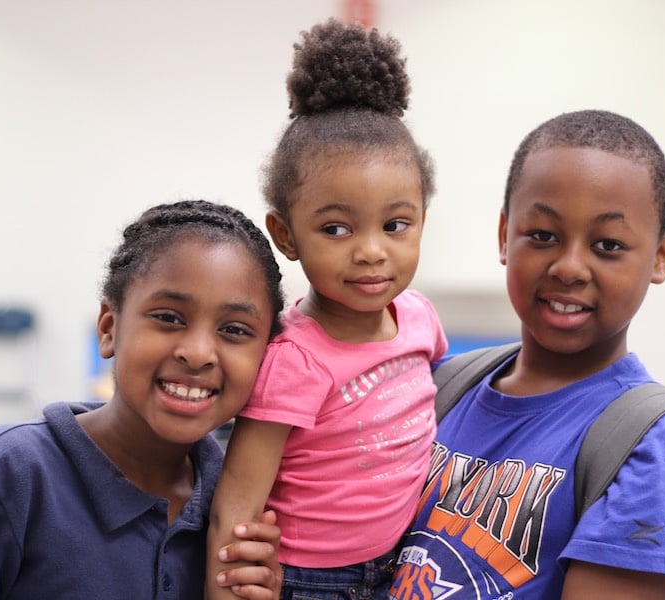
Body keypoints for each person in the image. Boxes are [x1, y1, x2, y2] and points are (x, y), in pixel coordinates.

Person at [0, 200, 287, 600]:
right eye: (168, 317)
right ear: (109, 328)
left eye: (234, 329)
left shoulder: (240, 509)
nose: (197, 352)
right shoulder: (15, 472)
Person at [389, 110, 665, 599]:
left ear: (661, 256)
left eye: (607, 245)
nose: (569, 267)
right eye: (543, 236)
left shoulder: (653, 441)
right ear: (504, 235)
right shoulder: (437, 387)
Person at [206, 18, 447, 600]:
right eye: (336, 228)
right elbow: (237, 503)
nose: (371, 251)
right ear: (285, 236)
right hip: (308, 580)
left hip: (404, 561)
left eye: (395, 225)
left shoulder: (418, 318)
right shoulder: (295, 359)